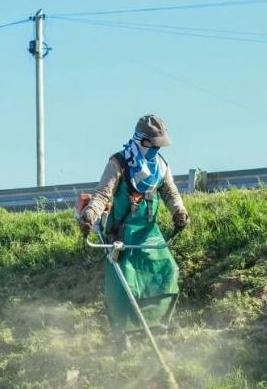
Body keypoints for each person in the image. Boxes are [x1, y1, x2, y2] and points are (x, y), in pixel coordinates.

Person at [78, 114, 190, 342]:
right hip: (122, 233)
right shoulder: (119, 163)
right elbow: (102, 194)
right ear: (142, 141)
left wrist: (179, 211)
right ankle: (124, 330)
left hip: (148, 232)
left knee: (167, 270)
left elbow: (170, 193)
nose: (156, 150)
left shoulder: (160, 166)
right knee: (125, 281)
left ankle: (158, 324)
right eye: (153, 145)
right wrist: (90, 213)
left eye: (160, 145)